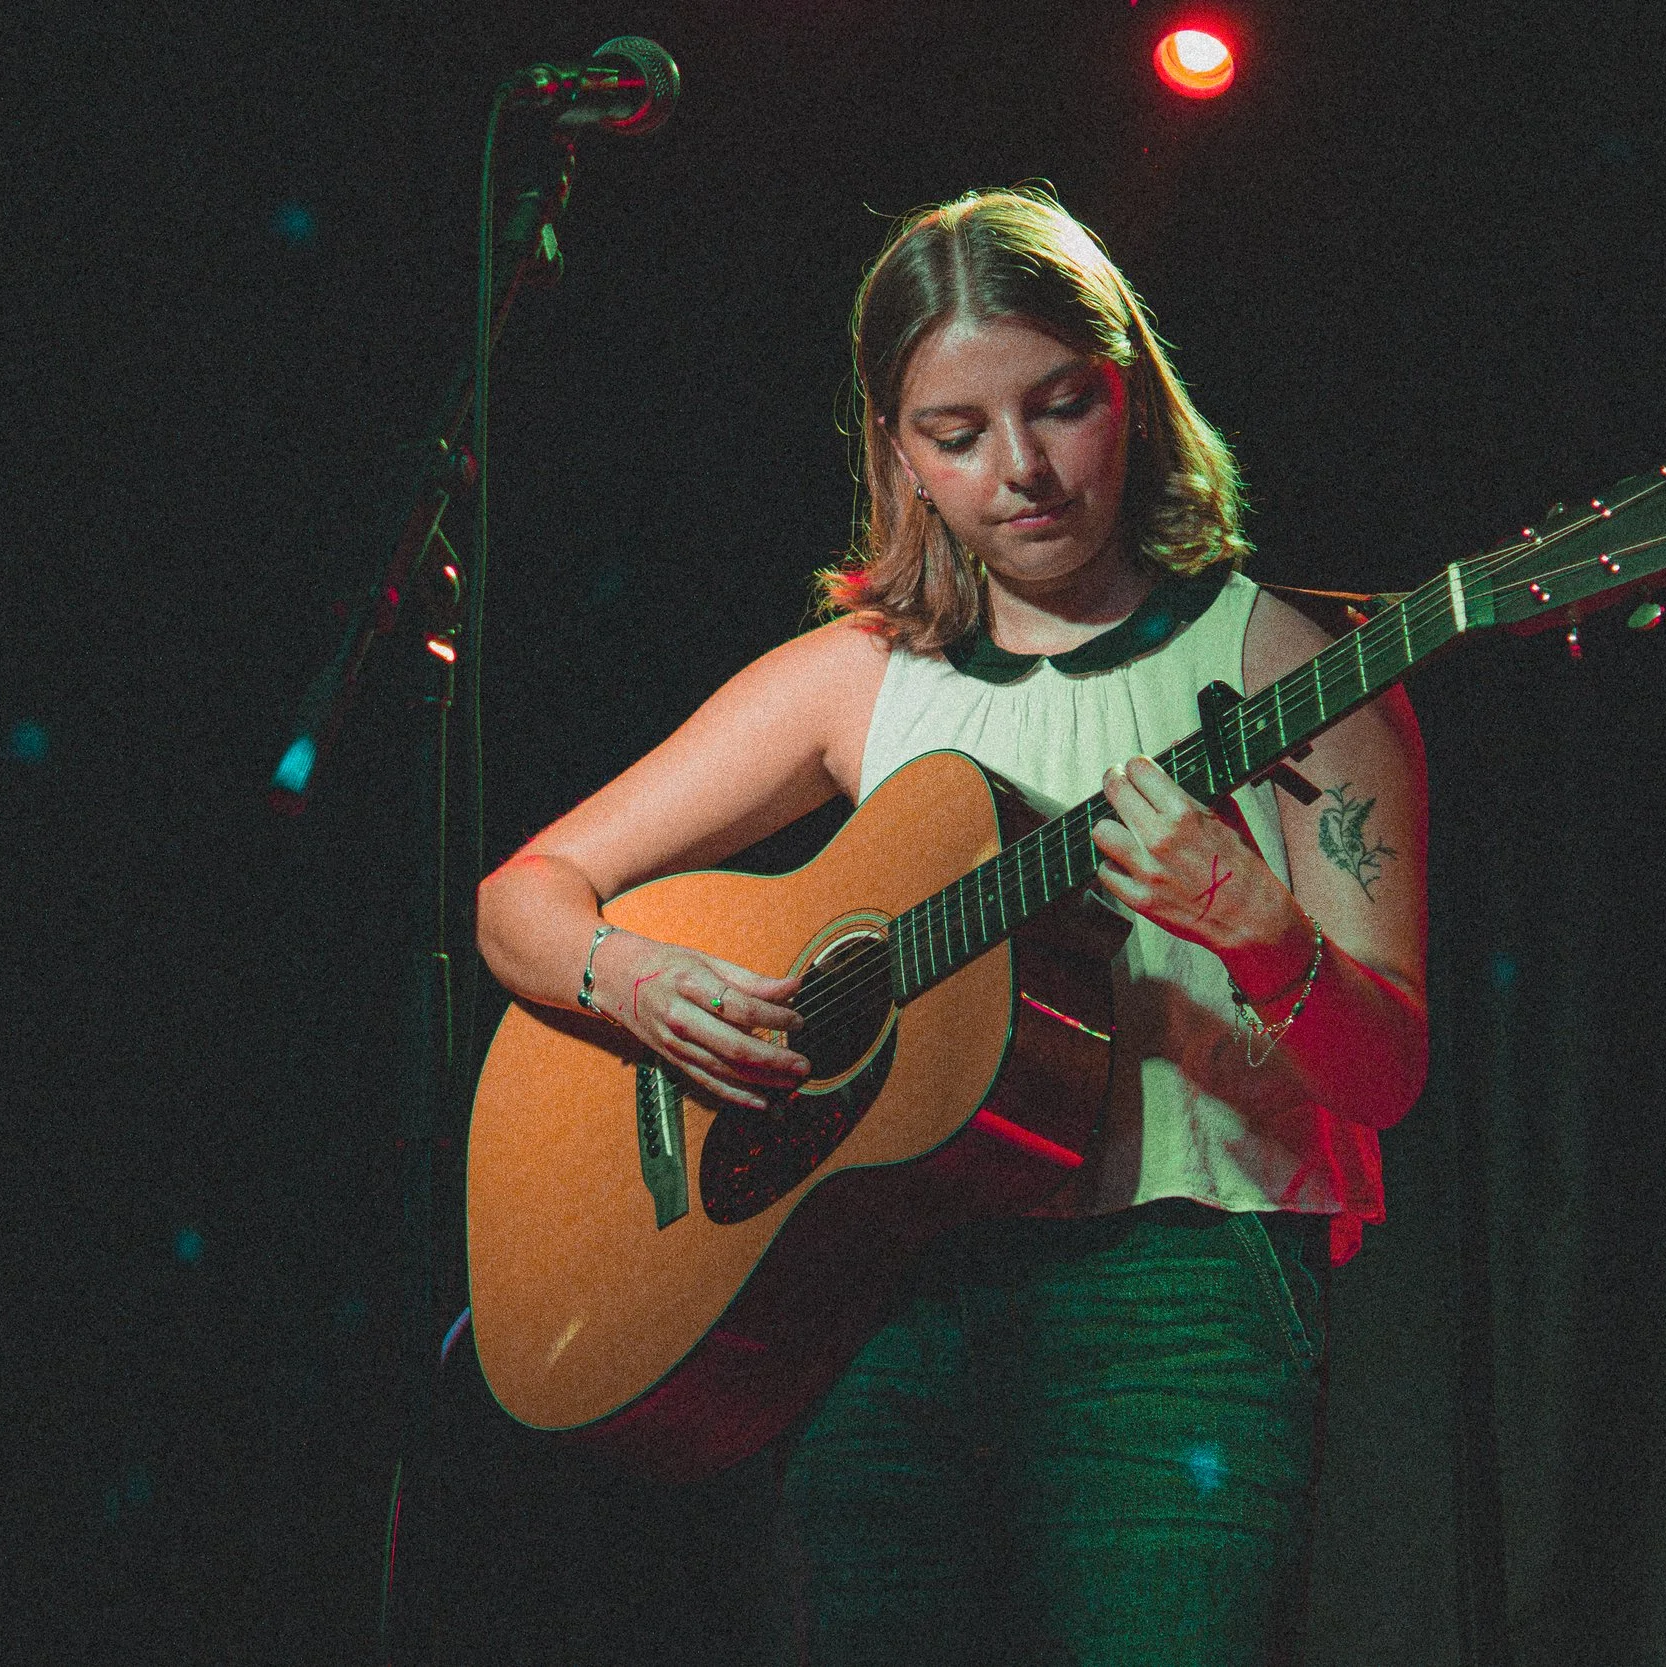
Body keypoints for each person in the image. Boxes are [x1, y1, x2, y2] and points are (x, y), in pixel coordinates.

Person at [474, 188, 1428, 1666]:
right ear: (896, 450)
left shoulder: (1299, 671)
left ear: (1135, 398)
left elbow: (1388, 1078)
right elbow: (521, 898)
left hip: (1182, 1308)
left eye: (1062, 407)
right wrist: (640, 976)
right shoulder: (855, 680)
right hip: (882, 1298)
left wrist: (1262, 933)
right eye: (957, 433)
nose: (1023, 472)